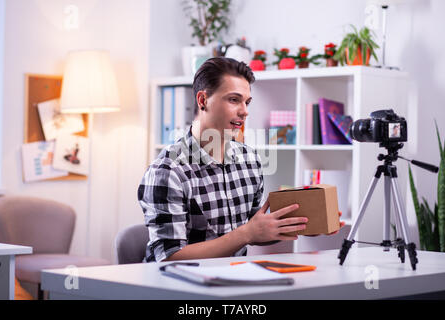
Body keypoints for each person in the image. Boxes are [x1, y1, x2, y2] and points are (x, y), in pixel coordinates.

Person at [138, 57, 341, 262]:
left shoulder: (249, 160)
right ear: (202, 101)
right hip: (180, 287)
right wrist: (246, 233)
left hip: (236, 280)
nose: (244, 111)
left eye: (247, 102)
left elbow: (255, 230)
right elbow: (168, 256)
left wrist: (305, 223)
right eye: (234, 100)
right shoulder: (167, 171)